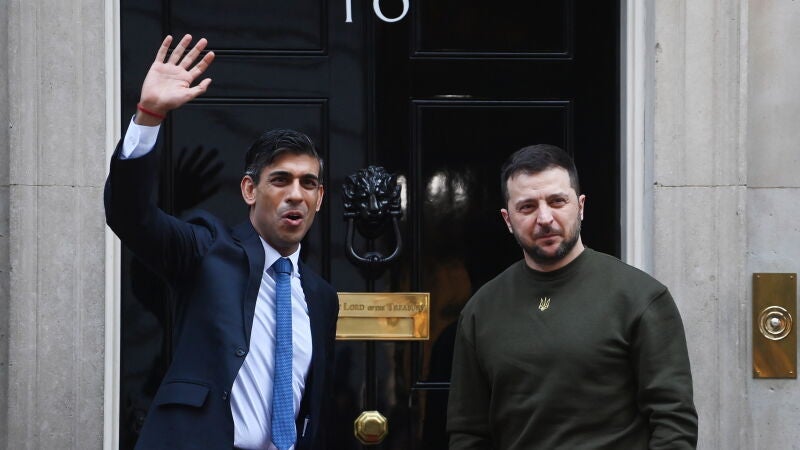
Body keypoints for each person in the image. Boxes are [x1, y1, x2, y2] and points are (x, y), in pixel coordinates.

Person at [105, 34, 339, 450]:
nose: (296, 195)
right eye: (280, 180)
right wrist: (149, 116)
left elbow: (312, 408)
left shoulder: (321, 297)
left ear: (319, 198)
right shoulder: (207, 251)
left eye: (308, 184)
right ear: (250, 190)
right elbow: (131, 215)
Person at [446, 144, 698, 449]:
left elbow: (674, 422)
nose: (544, 218)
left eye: (557, 201)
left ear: (580, 206)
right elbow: (468, 432)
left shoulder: (640, 298)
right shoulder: (481, 310)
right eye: (527, 207)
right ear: (507, 219)